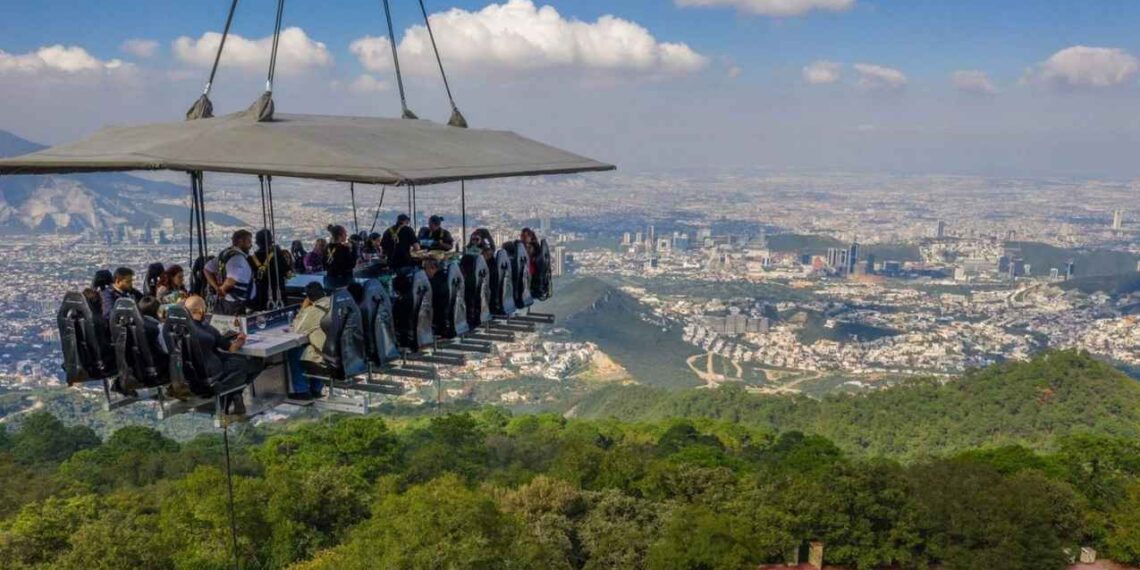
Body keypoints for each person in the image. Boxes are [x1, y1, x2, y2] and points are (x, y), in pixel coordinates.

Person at [184, 295, 262, 418]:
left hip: (193, 377)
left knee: (237, 365)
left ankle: (234, 393)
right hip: (214, 375)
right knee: (255, 363)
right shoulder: (208, 329)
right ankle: (234, 393)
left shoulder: (179, 329)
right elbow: (232, 348)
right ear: (200, 310)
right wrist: (240, 341)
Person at [287, 282, 330, 400]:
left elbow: (297, 328)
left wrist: (303, 308)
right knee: (315, 349)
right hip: (341, 352)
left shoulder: (312, 311)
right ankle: (316, 388)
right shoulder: (336, 302)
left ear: (309, 298)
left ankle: (301, 391)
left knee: (295, 351)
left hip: (325, 358)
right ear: (323, 292)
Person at [205, 230, 257, 316]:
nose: (251, 245)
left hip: (228, 302)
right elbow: (231, 279)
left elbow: (207, 269)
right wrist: (221, 290)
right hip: (235, 304)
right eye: (249, 242)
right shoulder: (237, 258)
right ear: (240, 242)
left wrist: (216, 287)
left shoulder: (225, 254)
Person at [252, 229, 293, 311]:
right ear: (271, 241)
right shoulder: (277, 255)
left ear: (257, 243)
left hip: (260, 293)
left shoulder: (252, 258)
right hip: (278, 292)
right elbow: (288, 273)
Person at [324, 225, 356, 289]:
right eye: (345, 233)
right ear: (339, 236)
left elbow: (325, 264)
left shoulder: (326, 248)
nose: (346, 235)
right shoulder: (344, 249)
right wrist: (353, 249)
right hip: (344, 281)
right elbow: (351, 264)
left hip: (330, 279)